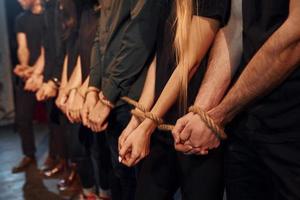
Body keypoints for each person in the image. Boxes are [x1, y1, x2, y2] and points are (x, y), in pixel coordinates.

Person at [173, 0, 300, 199]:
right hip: (246, 126)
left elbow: (294, 39)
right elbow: (235, 28)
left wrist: (220, 114)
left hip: (291, 128)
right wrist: (201, 113)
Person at [118, 0, 230, 199]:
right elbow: (158, 61)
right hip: (161, 125)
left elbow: (189, 62)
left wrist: (146, 126)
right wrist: (138, 120)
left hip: (195, 131)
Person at [81, 1, 163, 199]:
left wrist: (107, 96)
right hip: (111, 96)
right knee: (120, 175)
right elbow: (100, 40)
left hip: (134, 98)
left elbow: (138, 39)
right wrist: (93, 89)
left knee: (139, 183)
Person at [12, 0, 45, 173]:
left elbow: (48, 48)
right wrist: (25, 68)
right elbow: (22, 47)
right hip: (29, 74)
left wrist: (36, 71)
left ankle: (59, 158)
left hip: (47, 71)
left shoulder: (50, 14)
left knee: (56, 119)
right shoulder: (21, 19)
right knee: (23, 117)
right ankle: (29, 154)